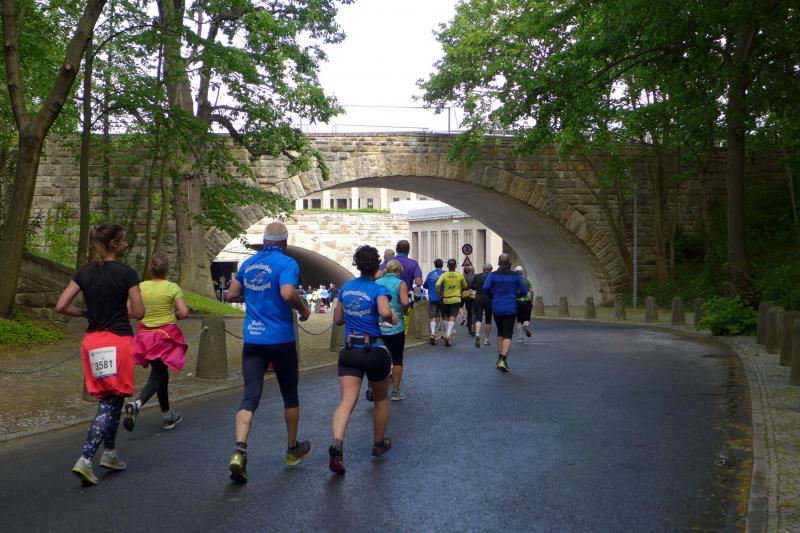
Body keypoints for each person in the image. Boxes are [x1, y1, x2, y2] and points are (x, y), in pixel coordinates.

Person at [55, 223, 145, 486]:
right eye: (124, 240)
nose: (126, 244)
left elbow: (61, 306)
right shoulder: (127, 273)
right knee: (108, 402)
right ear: (114, 244)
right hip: (118, 340)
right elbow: (139, 312)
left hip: (93, 342)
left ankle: (110, 453)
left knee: (113, 398)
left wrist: (87, 313)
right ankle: (85, 459)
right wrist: (125, 309)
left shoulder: (84, 273)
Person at [224, 221, 312, 484]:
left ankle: (240, 450)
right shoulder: (287, 263)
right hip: (281, 339)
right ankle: (292, 449)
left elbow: (231, 295)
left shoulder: (248, 264)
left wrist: (254, 298)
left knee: (250, 396)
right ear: (284, 242)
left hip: (253, 338)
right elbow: (287, 293)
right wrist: (303, 309)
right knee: (290, 395)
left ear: (264, 242)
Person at [329, 245, 397, 475]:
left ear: (357, 265)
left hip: (349, 350)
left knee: (346, 402)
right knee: (380, 399)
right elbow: (385, 313)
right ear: (376, 265)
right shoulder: (378, 289)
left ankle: (337, 444)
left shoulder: (346, 288)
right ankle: (378, 443)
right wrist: (392, 317)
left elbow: (338, 319)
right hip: (373, 350)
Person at [123, 252, 189, 432]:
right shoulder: (172, 288)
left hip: (145, 337)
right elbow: (184, 312)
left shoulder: (141, 287)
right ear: (167, 269)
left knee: (161, 373)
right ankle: (137, 404)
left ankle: (167, 416)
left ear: (150, 269)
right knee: (158, 374)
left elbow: (128, 312)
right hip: (164, 336)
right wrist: (176, 315)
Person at [483, 254, 528, 372]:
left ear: (498, 263)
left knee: (500, 332)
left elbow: (485, 287)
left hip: (497, 306)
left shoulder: (493, 275)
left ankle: (499, 358)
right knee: (508, 333)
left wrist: (492, 295)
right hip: (510, 307)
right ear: (510, 264)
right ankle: (503, 359)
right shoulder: (516, 276)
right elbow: (524, 291)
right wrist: (515, 295)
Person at [376, 259, 410, 400]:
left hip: (378, 324)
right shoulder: (400, 283)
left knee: (379, 358)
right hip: (396, 325)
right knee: (397, 359)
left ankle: (374, 389)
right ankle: (395, 391)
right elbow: (405, 302)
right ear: (397, 270)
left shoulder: (377, 282)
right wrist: (406, 310)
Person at [378, 240, 422, 336]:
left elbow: (378, 275)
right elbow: (418, 282)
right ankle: (401, 338)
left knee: (385, 322)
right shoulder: (413, 264)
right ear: (408, 250)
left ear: (396, 250)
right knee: (403, 322)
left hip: (387, 296)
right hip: (406, 297)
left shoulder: (388, 261)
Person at [435, 259, 467, 347]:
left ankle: (444, 334)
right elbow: (465, 286)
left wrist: (439, 292)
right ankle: (448, 335)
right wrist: (460, 289)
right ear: (455, 266)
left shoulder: (444, 275)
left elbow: (437, 284)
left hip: (446, 299)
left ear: (448, 266)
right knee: (452, 317)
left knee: (445, 317)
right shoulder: (459, 275)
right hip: (456, 299)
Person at [423, 259, 446, 345]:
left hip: (432, 298)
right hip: (443, 298)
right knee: (444, 316)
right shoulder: (445, 273)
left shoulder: (430, 274)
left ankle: (432, 334)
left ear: (434, 265)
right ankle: (443, 335)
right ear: (442, 265)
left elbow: (425, 285)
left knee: (433, 317)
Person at [472, 263, 494, 348]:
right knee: (488, 319)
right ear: (491, 269)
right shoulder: (492, 276)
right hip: (489, 299)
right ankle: (486, 340)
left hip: (478, 298)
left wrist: (478, 288)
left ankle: (477, 333)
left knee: (478, 317)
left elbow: (472, 286)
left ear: (483, 269)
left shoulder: (477, 276)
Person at [514, 266, 535, 343]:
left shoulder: (514, 281)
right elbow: (531, 291)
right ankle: (525, 324)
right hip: (526, 302)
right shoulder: (526, 280)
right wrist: (532, 301)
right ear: (522, 272)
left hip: (517, 302)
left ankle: (520, 338)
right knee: (527, 318)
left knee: (519, 320)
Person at [461, 265, 476, 336]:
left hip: (466, 296)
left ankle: (470, 329)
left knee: (469, 312)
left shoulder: (464, 276)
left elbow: (462, 286)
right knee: (474, 312)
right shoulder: (476, 276)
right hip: (474, 296)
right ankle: (473, 324)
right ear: (473, 270)